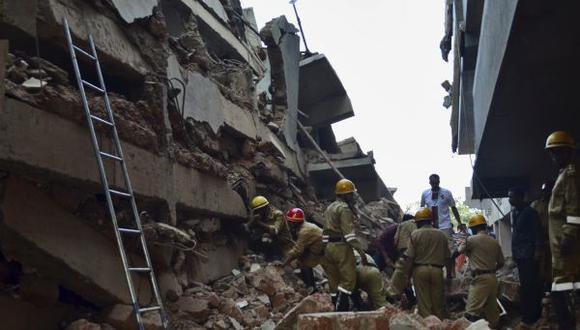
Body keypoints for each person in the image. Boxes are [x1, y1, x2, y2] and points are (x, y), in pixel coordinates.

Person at [545, 131, 580, 329]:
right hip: (559, 244)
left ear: (568, 152)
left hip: (565, 244)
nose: (554, 157)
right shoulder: (563, 175)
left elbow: (574, 208)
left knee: (561, 288)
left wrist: (568, 235)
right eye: (552, 153)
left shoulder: (570, 175)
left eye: (558, 153)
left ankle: (567, 325)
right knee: (564, 286)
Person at [321, 178, 367, 311]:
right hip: (341, 247)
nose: (352, 196)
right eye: (351, 194)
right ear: (345, 194)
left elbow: (324, 232)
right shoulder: (344, 208)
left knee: (333, 281)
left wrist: (325, 249)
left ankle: (335, 307)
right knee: (348, 279)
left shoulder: (330, 207)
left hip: (329, 248)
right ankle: (342, 309)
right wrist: (362, 253)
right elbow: (349, 236)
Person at [459, 214, 505, 328]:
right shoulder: (494, 241)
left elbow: (460, 250)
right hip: (493, 278)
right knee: (491, 310)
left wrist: (466, 241)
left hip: (480, 279)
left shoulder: (471, 240)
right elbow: (501, 262)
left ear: (474, 228)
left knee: (471, 311)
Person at [404, 207, 450, 319]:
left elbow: (410, 257)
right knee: (438, 303)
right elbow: (448, 257)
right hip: (437, 271)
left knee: (424, 304)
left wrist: (407, 276)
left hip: (420, 271)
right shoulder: (441, 234)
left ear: (418, 222)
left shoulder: (415, 234)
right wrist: (449, 274)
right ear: (431, 220)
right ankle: (439, 324)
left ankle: (428, 325)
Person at [508, 187, 543, 326]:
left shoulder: (530, 212)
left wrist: (538, 250)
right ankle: (527, 314)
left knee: (531, 286)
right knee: (525, 287)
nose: (510, 200)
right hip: (520, 256)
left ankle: (534, 315)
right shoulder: (516, 212)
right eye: (509, 197)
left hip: (529, 255)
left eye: (511, 197)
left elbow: (537, 232)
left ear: (520, 197)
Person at [420, 174, 461, 278]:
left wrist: (460, 223)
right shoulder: (425, 194)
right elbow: (422, 209)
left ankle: (450, 273)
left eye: (436, 183)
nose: (434, 185)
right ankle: (436, 274)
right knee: (433, 251)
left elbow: (453, 208)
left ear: (439, 182)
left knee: (450, 250)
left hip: (445, 225)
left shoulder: (446, 193)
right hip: (431, 226)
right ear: (429, 182)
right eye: (432, 183)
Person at [279, 208, 324, 293]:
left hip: (323, 250)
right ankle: (310, 285)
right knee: (301, 260)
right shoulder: (303, 226)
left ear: (296, 222)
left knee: (304, 263)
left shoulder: (304, 231)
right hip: (317, 248)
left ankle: (311, 288)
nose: (288, 223)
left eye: (290, 222)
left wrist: (284, 264)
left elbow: (297, 250)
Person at [385, 214, 417, 305]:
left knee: (396, 284)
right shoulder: (414, 224)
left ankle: (388, 303)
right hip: (415, 256)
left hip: (403, 257)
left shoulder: (400, 226)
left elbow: (395, 242)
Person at [530, 181, 554, 291]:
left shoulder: (555, 203)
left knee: (553, 268)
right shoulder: (536, 205)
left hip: (555, 240)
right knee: (540, 269)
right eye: (545, 190)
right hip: (540, 241)